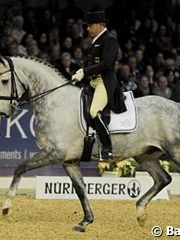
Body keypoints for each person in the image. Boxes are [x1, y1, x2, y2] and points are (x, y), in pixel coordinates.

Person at [72, 11, 126, 161]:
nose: (88, 29)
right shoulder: (97, 41)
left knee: (94, 111)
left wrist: (84, 71)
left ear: (100, 25)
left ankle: (107, 147)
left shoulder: (110, 40)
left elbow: (106, 65)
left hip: (104, 83)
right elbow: (90, 64)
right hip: (93, 82)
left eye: (90, 26)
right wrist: (78, 74)